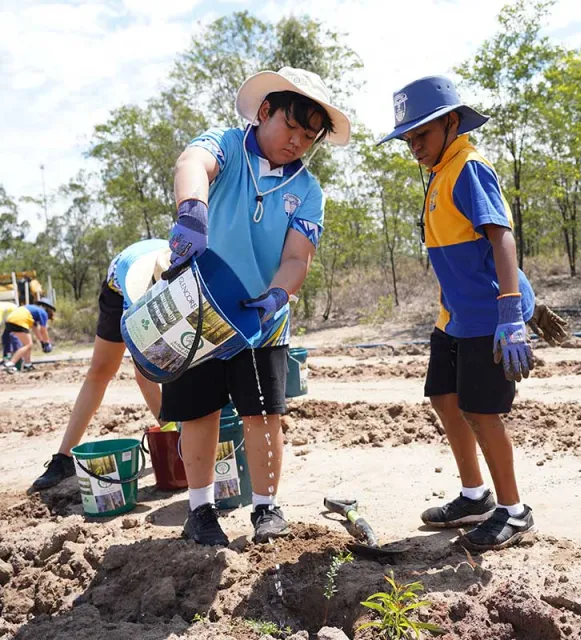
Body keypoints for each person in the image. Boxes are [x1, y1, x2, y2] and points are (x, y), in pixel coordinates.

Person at [161, 66, 351, 546]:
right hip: (199, 308)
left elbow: (295, 258)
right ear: (266, 111)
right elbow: (190, 163)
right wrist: (193, 211)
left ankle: (266, 508)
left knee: (264, 414)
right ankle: (201, 511)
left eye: (309, 136)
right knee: (199, 413)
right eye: (291, 127)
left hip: (260, 319)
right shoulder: (225, 145)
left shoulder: (307, 192)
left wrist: (278, 295)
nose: (297, 142)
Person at [378, 75, 543, 551]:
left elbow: (502, 237)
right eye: (407, 139)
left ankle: (513, 512)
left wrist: (511, 315)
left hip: (490, 319)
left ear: (451, 123)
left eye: (421, 135)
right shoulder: (438, 173)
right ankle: (475, 496)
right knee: (444, 399)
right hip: (453, 318)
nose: (414, 146)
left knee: (481, 411)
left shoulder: (469, 167)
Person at [30, 240, 170, 491]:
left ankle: (179, 438)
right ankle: (63, 459)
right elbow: (144, 373)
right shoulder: (134, 288)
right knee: (102, 370)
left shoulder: (189, 272)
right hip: (117, 290)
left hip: (163, 281)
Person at [2, 298, 56, 373]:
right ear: (48, 308)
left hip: (10, 321)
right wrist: (47, 343)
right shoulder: (43, 313)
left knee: (28, 344)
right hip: (19, 322)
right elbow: (43, 330)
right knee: (28, 345)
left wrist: (42, 342)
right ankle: (11, 363)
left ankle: (28, 365)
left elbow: (35, 329)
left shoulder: (33, 309)